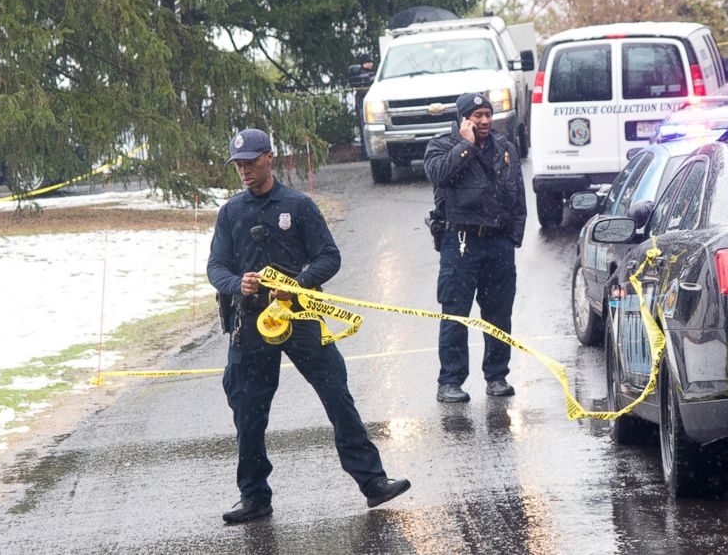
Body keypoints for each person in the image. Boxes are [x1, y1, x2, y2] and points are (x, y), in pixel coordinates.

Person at [208, 128, 410, 524]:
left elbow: (329, 257)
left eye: (251, 161)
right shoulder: (231, 212)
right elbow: (216, 267)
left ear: (270, 157)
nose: (245, 170)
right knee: (248, 411)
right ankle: (254, 497)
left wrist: (295, 285)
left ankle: (373, 483)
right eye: (239, 165)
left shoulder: (298, 206)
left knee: (337, 395)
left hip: (300, 315)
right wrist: (238, 284)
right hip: (251, 320)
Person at [423, 93, 527, 403]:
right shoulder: (442, 146)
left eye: (487, 114)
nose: (484, 121)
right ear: (464, 118)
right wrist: (465, 147)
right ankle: (450, 381)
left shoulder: (504, 148)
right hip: (460, 242)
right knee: (456, 315)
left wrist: (512, 239)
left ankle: (497, 376)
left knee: (499, 314)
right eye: (477, 115)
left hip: (498, 243)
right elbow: (439, 174)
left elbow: (518, 195)